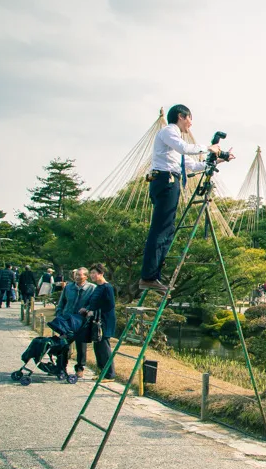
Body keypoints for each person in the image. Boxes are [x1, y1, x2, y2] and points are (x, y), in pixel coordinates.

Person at [139, 104, 232, 293]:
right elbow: (184, 149)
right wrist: (209, 147)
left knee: (167, 229)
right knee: (160, 229)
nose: (191, 123)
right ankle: (148, 276)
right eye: (190, 118)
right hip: (165, 180)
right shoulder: (169, 132)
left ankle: (153, 274)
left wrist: (219, 159)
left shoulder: (174, 142)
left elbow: (191, 165)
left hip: (170, 181)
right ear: (181, 116)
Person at [56, 267, 96, 379]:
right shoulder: (68, 287)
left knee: (81, 346)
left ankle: (80, 368)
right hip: (67, 320)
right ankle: (61, 368)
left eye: (80, 275)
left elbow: (93, 303)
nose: (77, 277)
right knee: (63, 344)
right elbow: (62, 302)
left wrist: (87, 310)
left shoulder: (92, 288)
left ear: (86, 276)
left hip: (81, 321)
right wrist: (59, 315)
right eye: (76, 275)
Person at [80, 264, 117, 382]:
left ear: (101, 274)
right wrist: (86, 308)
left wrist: (94, 311)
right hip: (96, 320)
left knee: (104, 347)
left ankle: (109, 374)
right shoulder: (98, 287)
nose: (92, 276)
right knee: (97, 346)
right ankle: (102, 371)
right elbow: (91, 301)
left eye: (94, 273)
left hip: (105, 320)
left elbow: (110, 305)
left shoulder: (107, 287)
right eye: (91, 273)